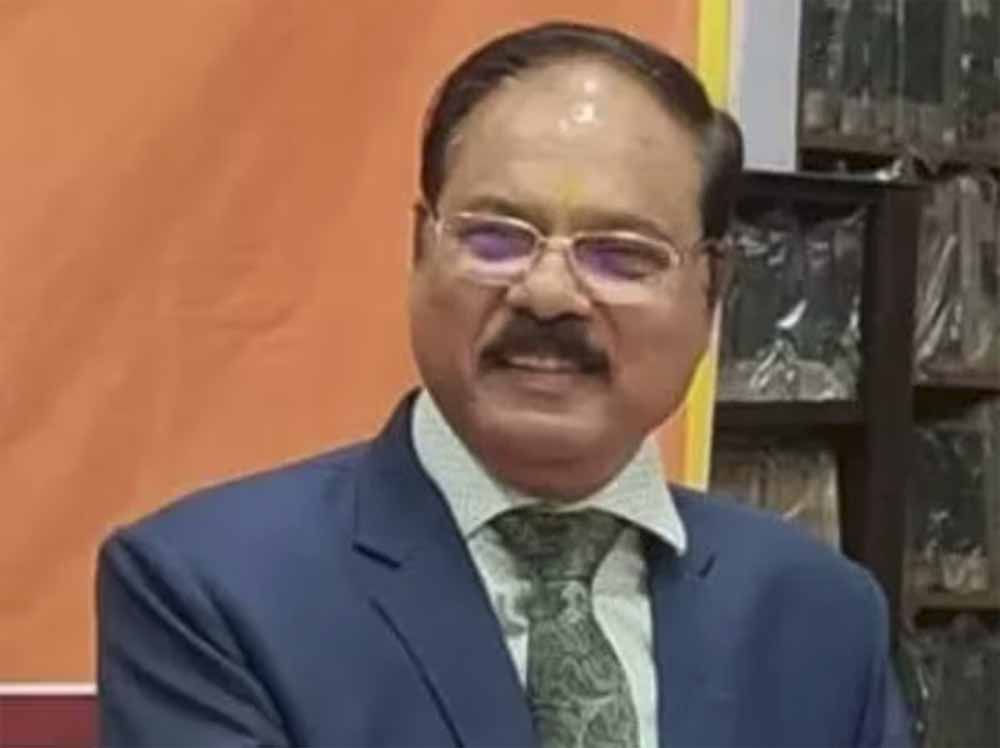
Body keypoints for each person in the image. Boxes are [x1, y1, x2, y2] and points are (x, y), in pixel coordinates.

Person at [97, 21, 913, 748]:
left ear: (712, 291)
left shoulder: (820, 615)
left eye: (620, 254)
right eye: (497, 238)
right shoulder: (214, 589)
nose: (548, 294)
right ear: (420, 251)